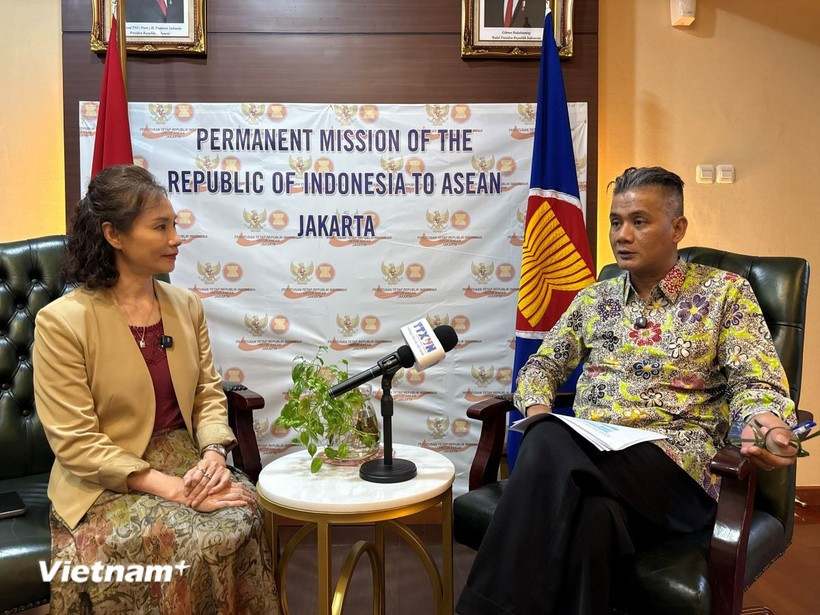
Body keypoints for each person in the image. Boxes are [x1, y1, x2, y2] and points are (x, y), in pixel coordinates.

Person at [457, 166, 797, 615]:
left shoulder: (724, 294)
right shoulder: (594, 299)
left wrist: (765, 422)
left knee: (551, 438)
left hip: (677, 474)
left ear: (677, 228)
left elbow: (755, 382)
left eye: (639, 221)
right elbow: (542, 364)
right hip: (590, 464)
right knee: (595, 519)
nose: (623, 234)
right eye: (617, 222)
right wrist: (539, 407)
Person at [33, 165, 279, 614]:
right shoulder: (61, 322)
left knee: (241, 512)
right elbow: (75, 442)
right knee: (192, 536)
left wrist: (213, 456)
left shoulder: (185, 305)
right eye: (160, 227)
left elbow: (207, 392)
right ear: (114, 235)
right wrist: (173, 489)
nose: (176, 239)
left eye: (175, 225)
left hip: (187, 458)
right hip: (105, 481)